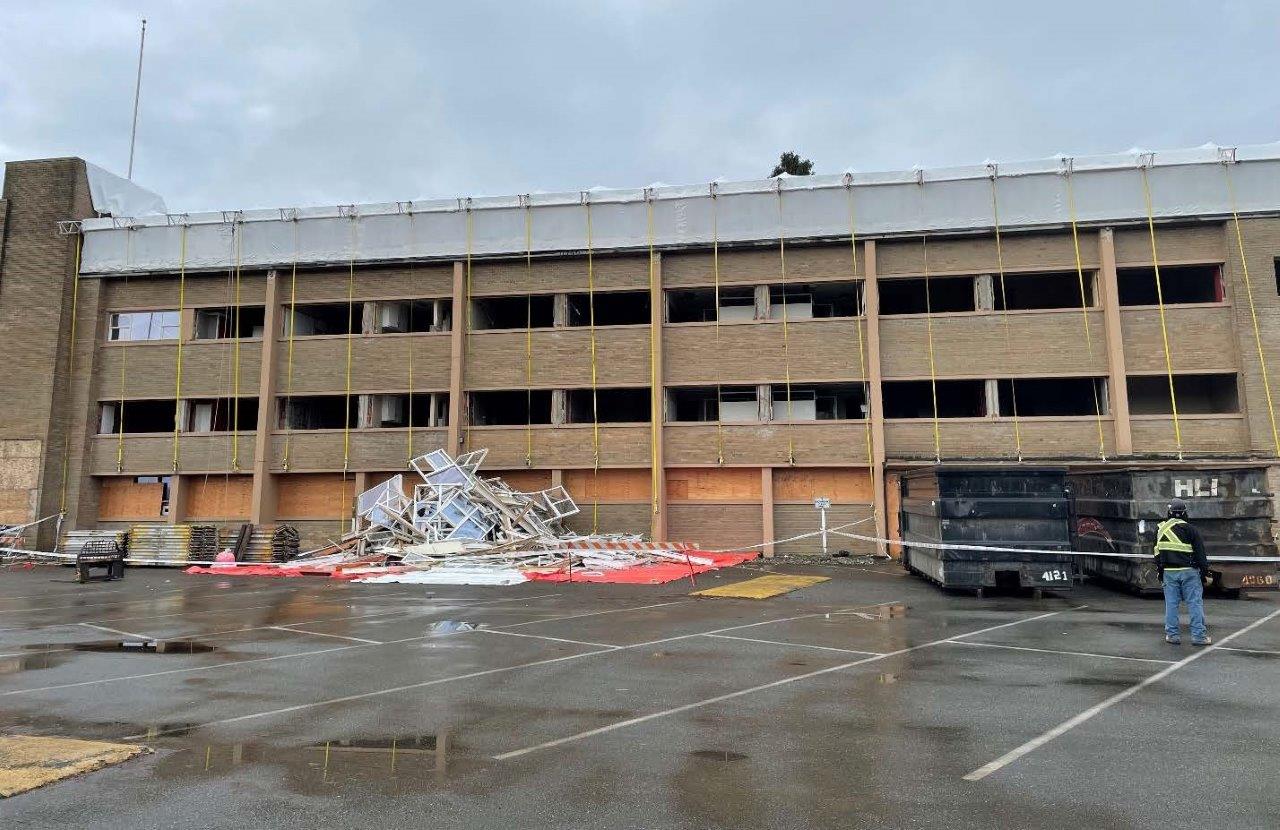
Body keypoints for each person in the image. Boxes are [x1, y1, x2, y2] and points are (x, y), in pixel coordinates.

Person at [1154, 498, 1211, 646]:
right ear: (1184, 513)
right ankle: (1199, 637)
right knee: (1194, 604)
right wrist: (1205, 573)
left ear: (1169, 512)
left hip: (1169, 572)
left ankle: (1172, 635)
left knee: (1171, 605)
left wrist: (1160, 572)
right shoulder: (1191, 529)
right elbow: (1200, 554)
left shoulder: (1161, 529)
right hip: (1189, 572)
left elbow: (1157, 553)